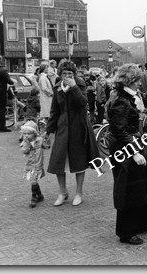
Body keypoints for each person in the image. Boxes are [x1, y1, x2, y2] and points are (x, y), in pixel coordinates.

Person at [107, 63, 147, 244]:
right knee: (128, 187)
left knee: (141, 185)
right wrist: (134, 153)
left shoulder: (128, 96)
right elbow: (120, 131)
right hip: (125, 147)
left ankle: (142, 222)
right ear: (129, 81)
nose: (139, 83)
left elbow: (137, 116)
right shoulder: (120, 100)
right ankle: (126, 232)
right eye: (137, 80)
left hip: (133, 142)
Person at [45, 61, 100, 207]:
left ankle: (79, 193)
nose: (68, 76)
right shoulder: (57, 87)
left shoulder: (80, 84)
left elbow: (83, 103)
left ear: (74, 74)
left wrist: (74, 87)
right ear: (60, 74)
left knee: (79, 161)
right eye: (65, 74)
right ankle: (63, 193)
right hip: (62, 127)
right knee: (59, 161)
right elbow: (54, 111)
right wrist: (48, 131)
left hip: (78, 126)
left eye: (70, 74)